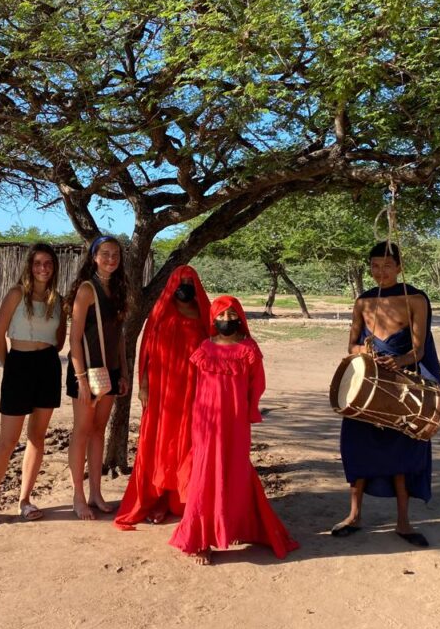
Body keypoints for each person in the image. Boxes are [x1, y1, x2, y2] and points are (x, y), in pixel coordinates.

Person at [168, 296, 299, 565]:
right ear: (213, 318)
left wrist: (250, 412)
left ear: (240, 317)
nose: (226, 320)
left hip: (236, 422)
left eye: (231, 315)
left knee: (235, 472)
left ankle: (234, 528)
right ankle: (201, 540)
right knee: (205, 473)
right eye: (221, 315)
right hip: (205, 423)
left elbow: (257, 384)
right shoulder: (204, 348)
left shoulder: (249, 348)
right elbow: (195, 387)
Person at [330, 241, 440, 548]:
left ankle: (403, 522)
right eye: (374, 266)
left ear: (399, 267)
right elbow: (351, 344)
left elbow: (419, 349)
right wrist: (363, 351)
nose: (380, 272)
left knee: (402, 453)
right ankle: (354, 516)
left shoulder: (415, 299)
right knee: (358, 448)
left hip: (401, 386)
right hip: (367, 384)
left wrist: (401, 360)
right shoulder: (363, 301)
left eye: (387, 266)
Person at [0, 244, 66, 526]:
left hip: (48, 366)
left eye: (48, 263)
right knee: (8, 440)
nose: (43, 268)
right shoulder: (16, 294)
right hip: (19, 364)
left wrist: (44, 354)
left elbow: (60, 340)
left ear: (54, 267)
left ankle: (25, 500)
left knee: (37, 438)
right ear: (30, 265)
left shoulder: (57, 299)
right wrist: (10, 367)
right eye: (38, 263)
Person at [114, 265, 210, 528]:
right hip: (161, 389)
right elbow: (146, 349)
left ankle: (183, 497)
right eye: (181, 281)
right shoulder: (159, 310)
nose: (185, 286)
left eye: (191, 281)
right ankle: (157, 497)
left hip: (193, 389)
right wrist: (143, 384)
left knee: (188, 442)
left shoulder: (205, 314)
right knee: (160, 442)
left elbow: (216, 350)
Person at [65, 236, 130, 520]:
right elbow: (74, 338)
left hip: (110, 373)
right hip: (86, 371)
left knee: (98, 430)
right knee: (81, 431)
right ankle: (78, 497)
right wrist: (80, 378)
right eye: (105, 253)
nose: (111, 258)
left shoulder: (118, 289)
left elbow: (120, 339)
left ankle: (95, 493)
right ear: (94, 256)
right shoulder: (87, 290)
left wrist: (124, 373)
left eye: (116, 254)